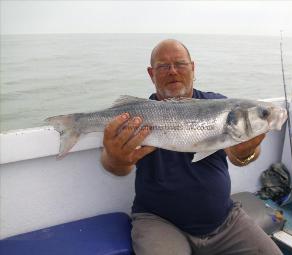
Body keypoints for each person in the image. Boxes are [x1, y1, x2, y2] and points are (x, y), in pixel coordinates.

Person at [101, 39, 282, 255]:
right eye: (163, 66)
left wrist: (247, 152)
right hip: (158, 222)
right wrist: (116, 158)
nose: (173, 71)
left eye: (180, 63)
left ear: (193, 68)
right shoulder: (140, 115)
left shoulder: (220, 106)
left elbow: (237, 156)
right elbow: (116, 167)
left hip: (225, 220)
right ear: (151, 74)